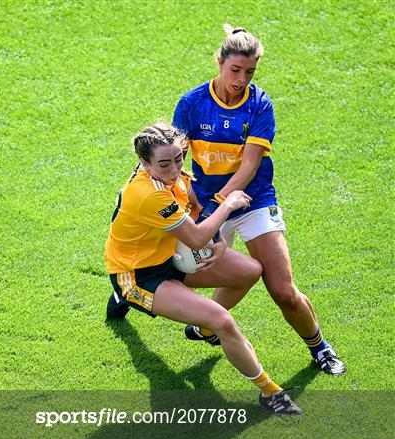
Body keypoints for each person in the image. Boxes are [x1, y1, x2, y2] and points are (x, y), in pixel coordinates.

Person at [172, 24, 346, 376]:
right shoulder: (192, 104)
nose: (241, 79)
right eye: (235, 70)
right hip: (208, 204)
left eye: (249, 72)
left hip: (252, 200)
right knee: (189, 271)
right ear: (219, 62)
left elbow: (250, 166)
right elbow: (174, 162)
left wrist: (222, 204)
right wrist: (195, 203)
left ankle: (320, 348)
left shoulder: (259, 105)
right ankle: (142, 298)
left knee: (282, 289)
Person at [104, 123, 302, 414]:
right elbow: (196, 237)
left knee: (249, 271)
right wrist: (229, 204)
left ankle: (202, 328)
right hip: (139, 275)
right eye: (164, 163)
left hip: (169, 255)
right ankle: (270, 392)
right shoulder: (148, 194)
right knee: (224, 321)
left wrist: (219, 239)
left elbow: (194, 208)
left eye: (178, 158)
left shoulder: (174, 176)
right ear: (145, 163)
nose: (174, 168)